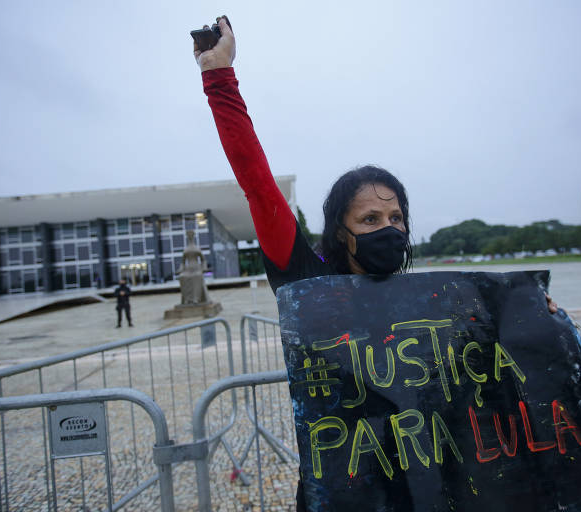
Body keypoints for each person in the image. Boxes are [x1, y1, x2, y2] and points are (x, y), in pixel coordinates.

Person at [193, 16, 557, 509]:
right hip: (345, 489)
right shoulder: (309, 280)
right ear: (339, 229)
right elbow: (258, 183)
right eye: (369, 218)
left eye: (396, 216)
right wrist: (220, 78)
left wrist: (538, 319)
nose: (388, 228)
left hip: (430, 486)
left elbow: (497, 377)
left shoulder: (441, 302)